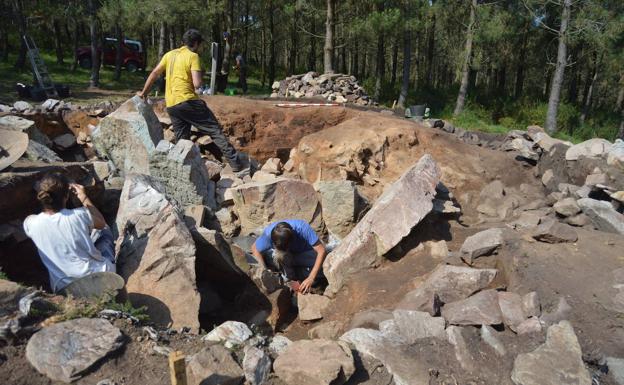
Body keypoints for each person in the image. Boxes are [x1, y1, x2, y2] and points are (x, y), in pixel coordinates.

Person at [137, 28, 243, 171]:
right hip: (188, 101)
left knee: (182, 140)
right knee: (214, 130)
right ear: (196, 43)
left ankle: (182, 170)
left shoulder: (169, 55)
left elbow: (155, 73)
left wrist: (144, 92)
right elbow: (197, 84)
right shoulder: (193, 57)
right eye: (200, 45)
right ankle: (237, 165)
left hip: (172, 104)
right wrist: (200, 75)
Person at [23, 173, 115, 293]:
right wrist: (83, 197)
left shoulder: (30, 223)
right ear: (66, 196)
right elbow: (101, 223)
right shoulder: (80, 214)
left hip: (64, 288)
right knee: (104, 230)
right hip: (99, 277)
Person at [251, 220, 326, 294]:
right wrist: (265, 272)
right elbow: (255, 249)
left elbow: (321, 250)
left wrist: (311, 278)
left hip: (305, 252)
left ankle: (298, 274)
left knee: (324, 266)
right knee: (276, 256)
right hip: (285, 257)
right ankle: (289, 278)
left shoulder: (302, 228)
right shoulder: (268, 234)